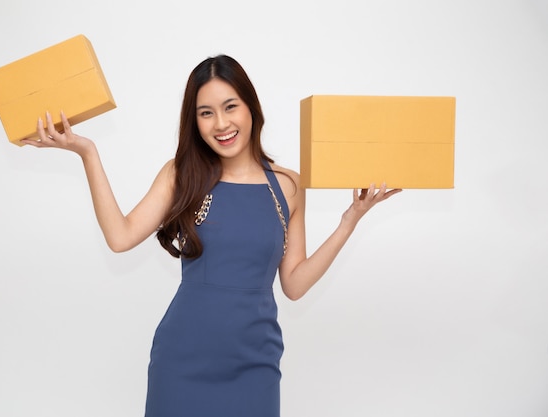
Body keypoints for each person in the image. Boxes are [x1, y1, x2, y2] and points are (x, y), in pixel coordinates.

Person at [22, 54, 401, 417]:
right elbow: (120, 238)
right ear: (195, 122)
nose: (221, 123)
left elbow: (295, 284)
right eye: (206, 113)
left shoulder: (287, 185)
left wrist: (350, 220)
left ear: (251, 107)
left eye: (230, 106)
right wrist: (87, 153)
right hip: (182, 361)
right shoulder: (182, 174)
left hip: (256, 363)